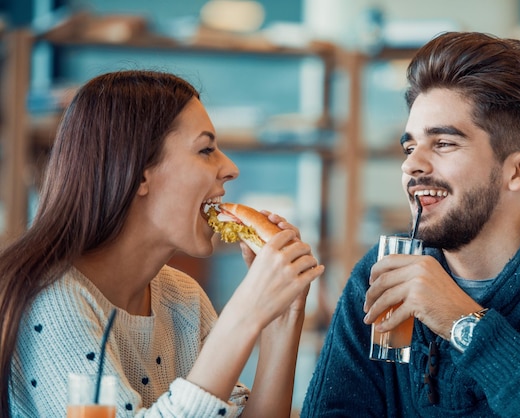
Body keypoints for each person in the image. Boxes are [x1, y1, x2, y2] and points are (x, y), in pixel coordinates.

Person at [301, 31, 520, 416]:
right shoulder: (379, 276)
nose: (411, 165)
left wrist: (462, 322)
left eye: (443, 143)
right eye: (409, 146)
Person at [0, 70, 325, 417]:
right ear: (140, 172)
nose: (230, 168)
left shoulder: (181, 296)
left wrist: (282, 317)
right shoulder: (49, 300)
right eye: (206, 150)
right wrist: (244, 314)